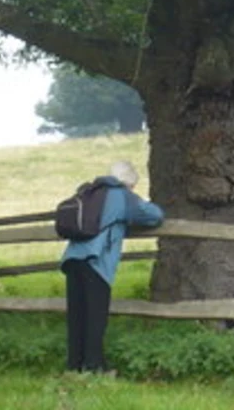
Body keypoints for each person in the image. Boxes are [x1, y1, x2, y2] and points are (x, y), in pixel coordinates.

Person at [60, 159, 164, 373]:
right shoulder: (121, 196)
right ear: (128, 183)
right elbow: (154, 215)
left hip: (72, 258)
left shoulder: (90, 191)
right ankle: (95, 367)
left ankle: (74, 366)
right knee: (95, 317)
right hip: (97, 261)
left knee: (77, 316)